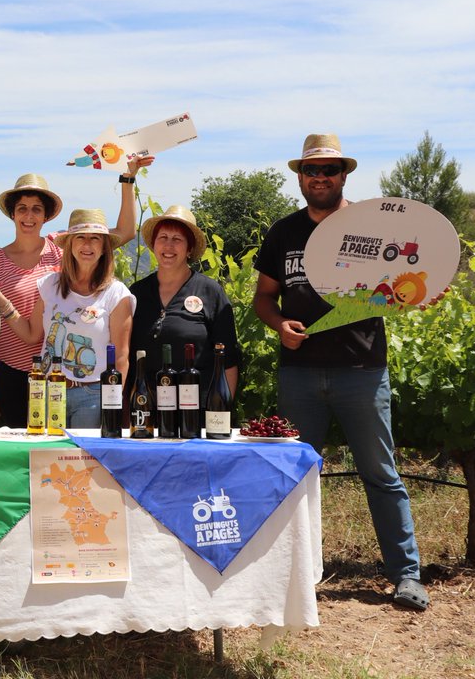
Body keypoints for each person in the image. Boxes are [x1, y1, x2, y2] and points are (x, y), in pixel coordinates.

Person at [253, 133, 428, 611]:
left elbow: (410, 279)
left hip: (362, 372)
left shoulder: (372, 227)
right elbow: (263, 298)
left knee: (381, 474)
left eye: (329, 169)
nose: (321, 177)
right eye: (312, 170)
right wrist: (278, 324)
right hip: (299, 375)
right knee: (294, 478)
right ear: (300, 177)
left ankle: (407, 575)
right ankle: (289, 576)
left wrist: (420, 289)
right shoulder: (283, 233)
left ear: (344, 174)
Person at [0, 158, 150, 428]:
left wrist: (127, 179)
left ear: (46, 216)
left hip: (67, 381)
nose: (29, 216)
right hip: (15, 373)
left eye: (37, 209)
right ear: (12, 214)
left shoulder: (62, 250)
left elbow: (123, 232)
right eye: (22, 209)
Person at [128, 205, 240, 397]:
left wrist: (222, 410)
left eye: (177, 239)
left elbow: (228, 359)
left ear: (189, 249)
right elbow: (128, 357)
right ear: (154, 245)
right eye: (163, 238)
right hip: (147, 410)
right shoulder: (137, 293)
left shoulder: (210, 292)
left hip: (197, 409)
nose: (169, 246)